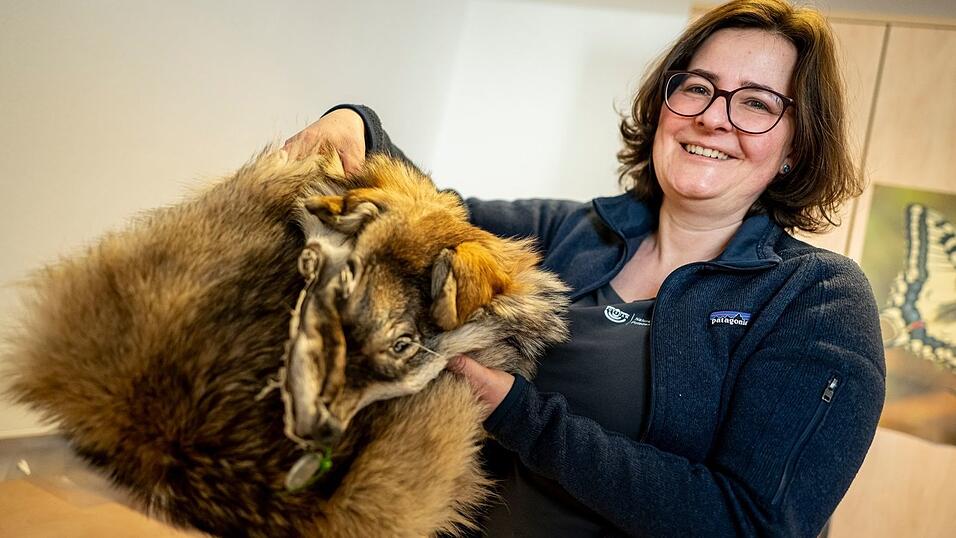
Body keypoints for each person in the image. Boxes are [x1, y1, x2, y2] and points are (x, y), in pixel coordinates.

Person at [283, 0, 885, 535]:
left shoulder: (815, 296)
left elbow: (752, 522)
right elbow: (429, 215)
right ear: (665, 104)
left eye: (756, 102)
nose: (712, 116)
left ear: (795, 148)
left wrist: (518, 414)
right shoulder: (569, 231)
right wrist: (360, 125)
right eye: (698, 87)